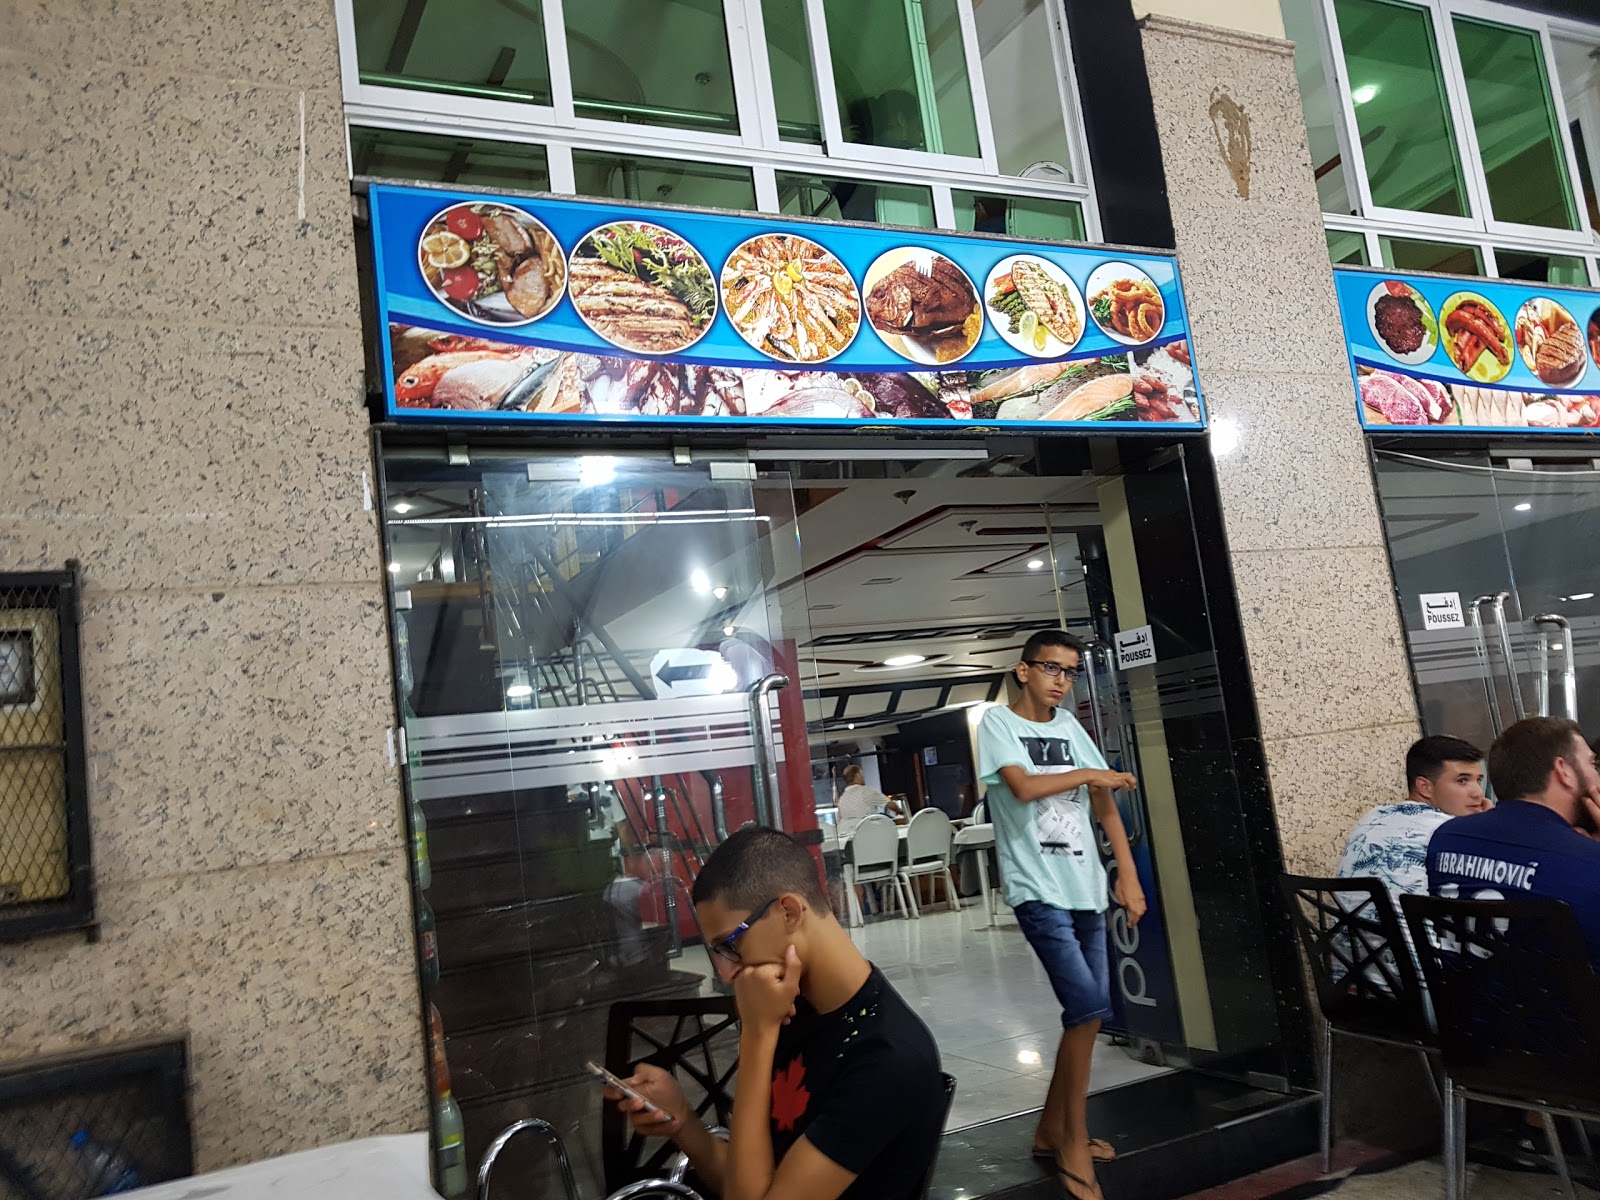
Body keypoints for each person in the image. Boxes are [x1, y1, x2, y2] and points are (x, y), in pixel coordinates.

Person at [608, 826, 944, 1200]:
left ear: (789, 911)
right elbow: (748, 1183)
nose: (726, 972)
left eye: (731, 944)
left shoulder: (887, 1057)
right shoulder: (791, 1008)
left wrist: (756, 1036)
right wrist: (683, 1121)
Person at [976, 630, 1144, 1200]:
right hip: (1037, 889)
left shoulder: (1070, 727)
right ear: (1023, 670)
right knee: (1087, 1007)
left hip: (1086, 888)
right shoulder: (998, 724)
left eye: (1070, 672)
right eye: (1051, 668)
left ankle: (1052, 1129)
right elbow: (1023, 787)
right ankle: (1073, 1139)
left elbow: (1104, 804)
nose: (1062, 681)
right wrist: (1091, 774)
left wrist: (1127, 874)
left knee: (1087, 1016)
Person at [1427, 716, 1600, 963]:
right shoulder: (1587, 862)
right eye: (1593, 764)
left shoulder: (1446, 837)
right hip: (1551, 990)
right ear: (1564, 771)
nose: (1597, 776)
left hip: (1465, 987)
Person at [1338, 734, 1487, 907]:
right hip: (1415, 925)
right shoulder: (1448, 830)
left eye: (1478, 780)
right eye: (1462, 781)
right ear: (1425, 787)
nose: (1478, 793)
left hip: (1350, 924)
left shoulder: (1374, 815)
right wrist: (1489, 825)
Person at [834, 764, 903, 824]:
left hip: (852, 834)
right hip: (870, 831)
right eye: (861, 774)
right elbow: (892, 805)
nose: (863, 777)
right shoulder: (867, 791)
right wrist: (901, 812)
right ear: (858, 775)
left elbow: (839, 820)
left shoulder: (842, 799)